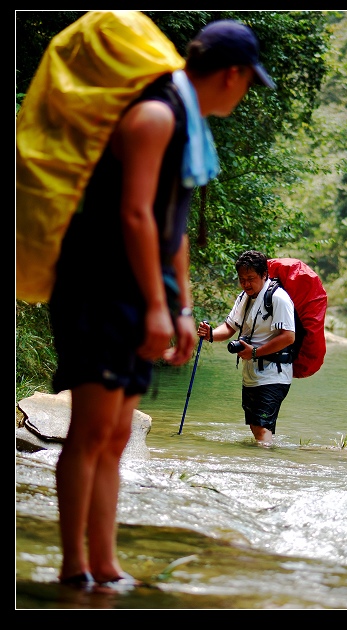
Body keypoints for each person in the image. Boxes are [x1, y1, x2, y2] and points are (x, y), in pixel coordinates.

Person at [47, 19, 275, 590]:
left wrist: (179, 308)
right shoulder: (155, 116)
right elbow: (134, 214)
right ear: (232, 74)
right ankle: (75, 568)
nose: (245, 92)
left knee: (117, 435)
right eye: (248, 83)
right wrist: (155, 303)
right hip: (100, 291)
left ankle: (105, 565)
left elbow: (174, 231)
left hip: (137, 295)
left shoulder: (187, 128)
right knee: (92, 431)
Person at [197, 250, 295, 447]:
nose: (246, 283)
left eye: (251, 278)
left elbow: (288, 337)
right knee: (255, 425)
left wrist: (255, 352)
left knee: (261, 427)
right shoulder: (244, 297)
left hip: (274, 374)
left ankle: (263, 466)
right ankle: (267, 459)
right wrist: (210, 334)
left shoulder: (279, 298)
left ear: (264, 275)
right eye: (242, 279)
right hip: (252, 374)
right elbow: (229, 328)